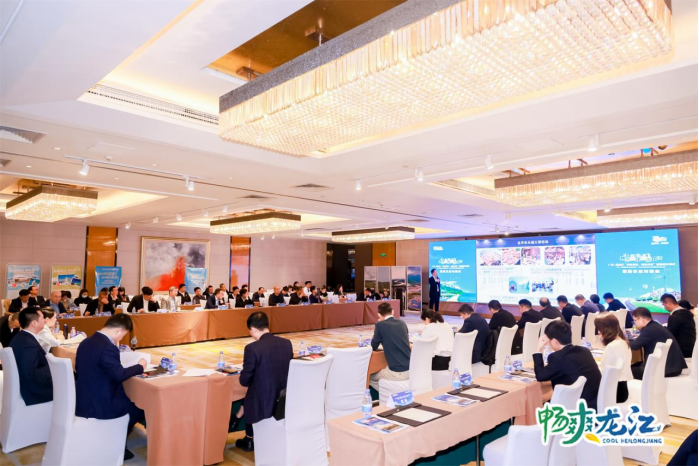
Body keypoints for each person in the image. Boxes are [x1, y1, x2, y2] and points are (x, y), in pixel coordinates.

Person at [75, 314, 147, 461]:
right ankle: (116, 444)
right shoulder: (108, 347)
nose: (121, 338)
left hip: (84, 397)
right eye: (123, 335)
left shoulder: (86, 341)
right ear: (118, 330)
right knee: (139, 409)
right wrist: (140, 366)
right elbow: (119, 375)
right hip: (100, 402)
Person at [229, 312, 293, 452]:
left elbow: (244, 381)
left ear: (252, 329)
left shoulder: (252, 348)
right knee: (257, 386)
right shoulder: (286, 343)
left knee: (251, 391)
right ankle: (241, 424)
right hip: (283, 396)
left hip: (264, 400)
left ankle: (248, 437)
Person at [534, 320, 601, 410]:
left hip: (576, 407)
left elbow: (540, 376)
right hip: (596, 402)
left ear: (554, 341)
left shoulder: (557, 357)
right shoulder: (584, 350)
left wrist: (538, 350)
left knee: (538, 402)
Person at [9, 307, 53, 405]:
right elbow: (32, 373)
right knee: (78, 384)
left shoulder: (22, 337)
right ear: (34, 323)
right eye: (43, 318)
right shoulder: (27, 344)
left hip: (29, 386)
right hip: (35, 392)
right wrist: (57, 374)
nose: (45, 320)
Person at [630, 307, 687, 379]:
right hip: (672, 366)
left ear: (641, 319)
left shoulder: (649, 329)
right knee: (633, 367)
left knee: (626, 371)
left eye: (635, 320)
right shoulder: (654, 325)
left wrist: (623, 342)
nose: (635, 323)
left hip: (665, 368)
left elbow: (635, 346)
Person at [370, 302, 411, 391]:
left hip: (397, 372)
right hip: (410, 368)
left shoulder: (380, 325)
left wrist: (378, 324)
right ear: (392, 312)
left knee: (370, 377)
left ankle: (388, 394)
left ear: (379, 314)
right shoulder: (402, 323)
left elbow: (373, 346)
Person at [594, 314, 633, 403]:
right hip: (622, 389)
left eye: (599, 329)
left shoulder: (612, 346)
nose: (598, 332)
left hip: (613, 392)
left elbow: (604, 371)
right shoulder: (623, 342)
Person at [663, 293, 697, 358]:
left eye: (664, 305)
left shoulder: (675, 316)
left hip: (681, 351)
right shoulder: (687, 313)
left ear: (668, 303)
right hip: (691, 347)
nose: (664, 308)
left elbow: (670, 334)